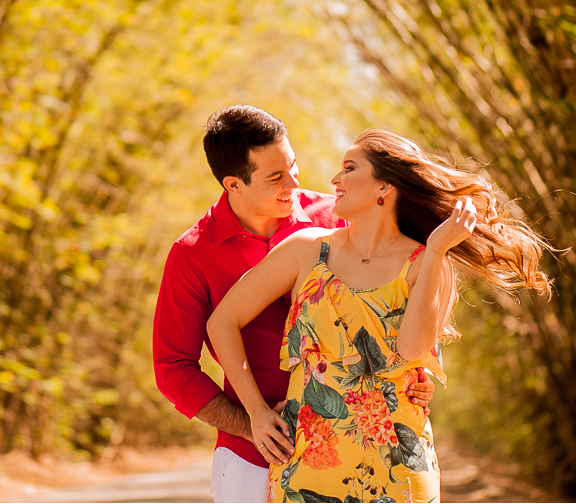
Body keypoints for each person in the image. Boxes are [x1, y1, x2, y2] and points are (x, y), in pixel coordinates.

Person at [207, 129, 554, 503]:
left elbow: (410, 351)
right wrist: (257, 414)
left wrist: (437, 251)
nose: (334, 180)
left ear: (384, 187)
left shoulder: (427, 262)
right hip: (308, 460)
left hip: (398, 465)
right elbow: (221, 322)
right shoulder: (305, 250)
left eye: (349, 168)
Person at [153, 108, 435, 503]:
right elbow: (173, 368)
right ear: (233, 184)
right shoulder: (192, 255)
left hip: (353, 446)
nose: (293, 182)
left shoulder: (338, 218)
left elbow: (401, 284)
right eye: (275, 177)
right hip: (251, 454)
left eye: (293, 166)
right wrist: (251, 422)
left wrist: (419, 369)